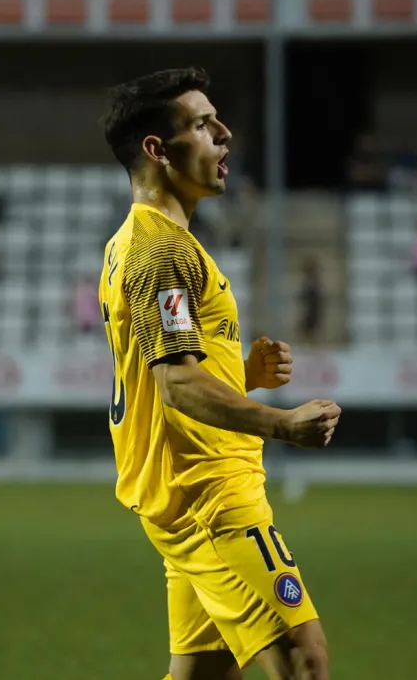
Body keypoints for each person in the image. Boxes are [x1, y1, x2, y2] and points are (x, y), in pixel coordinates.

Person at [99, 67, 339, 680]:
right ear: (157, 149)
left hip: (187, 495)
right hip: (213, 498)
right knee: (305, 662)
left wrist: (239, 373)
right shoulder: (162, 251)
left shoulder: (136, 242)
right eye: (204, 124)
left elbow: (170, 370)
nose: (225, 134)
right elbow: (175, 383)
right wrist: (282, 425)